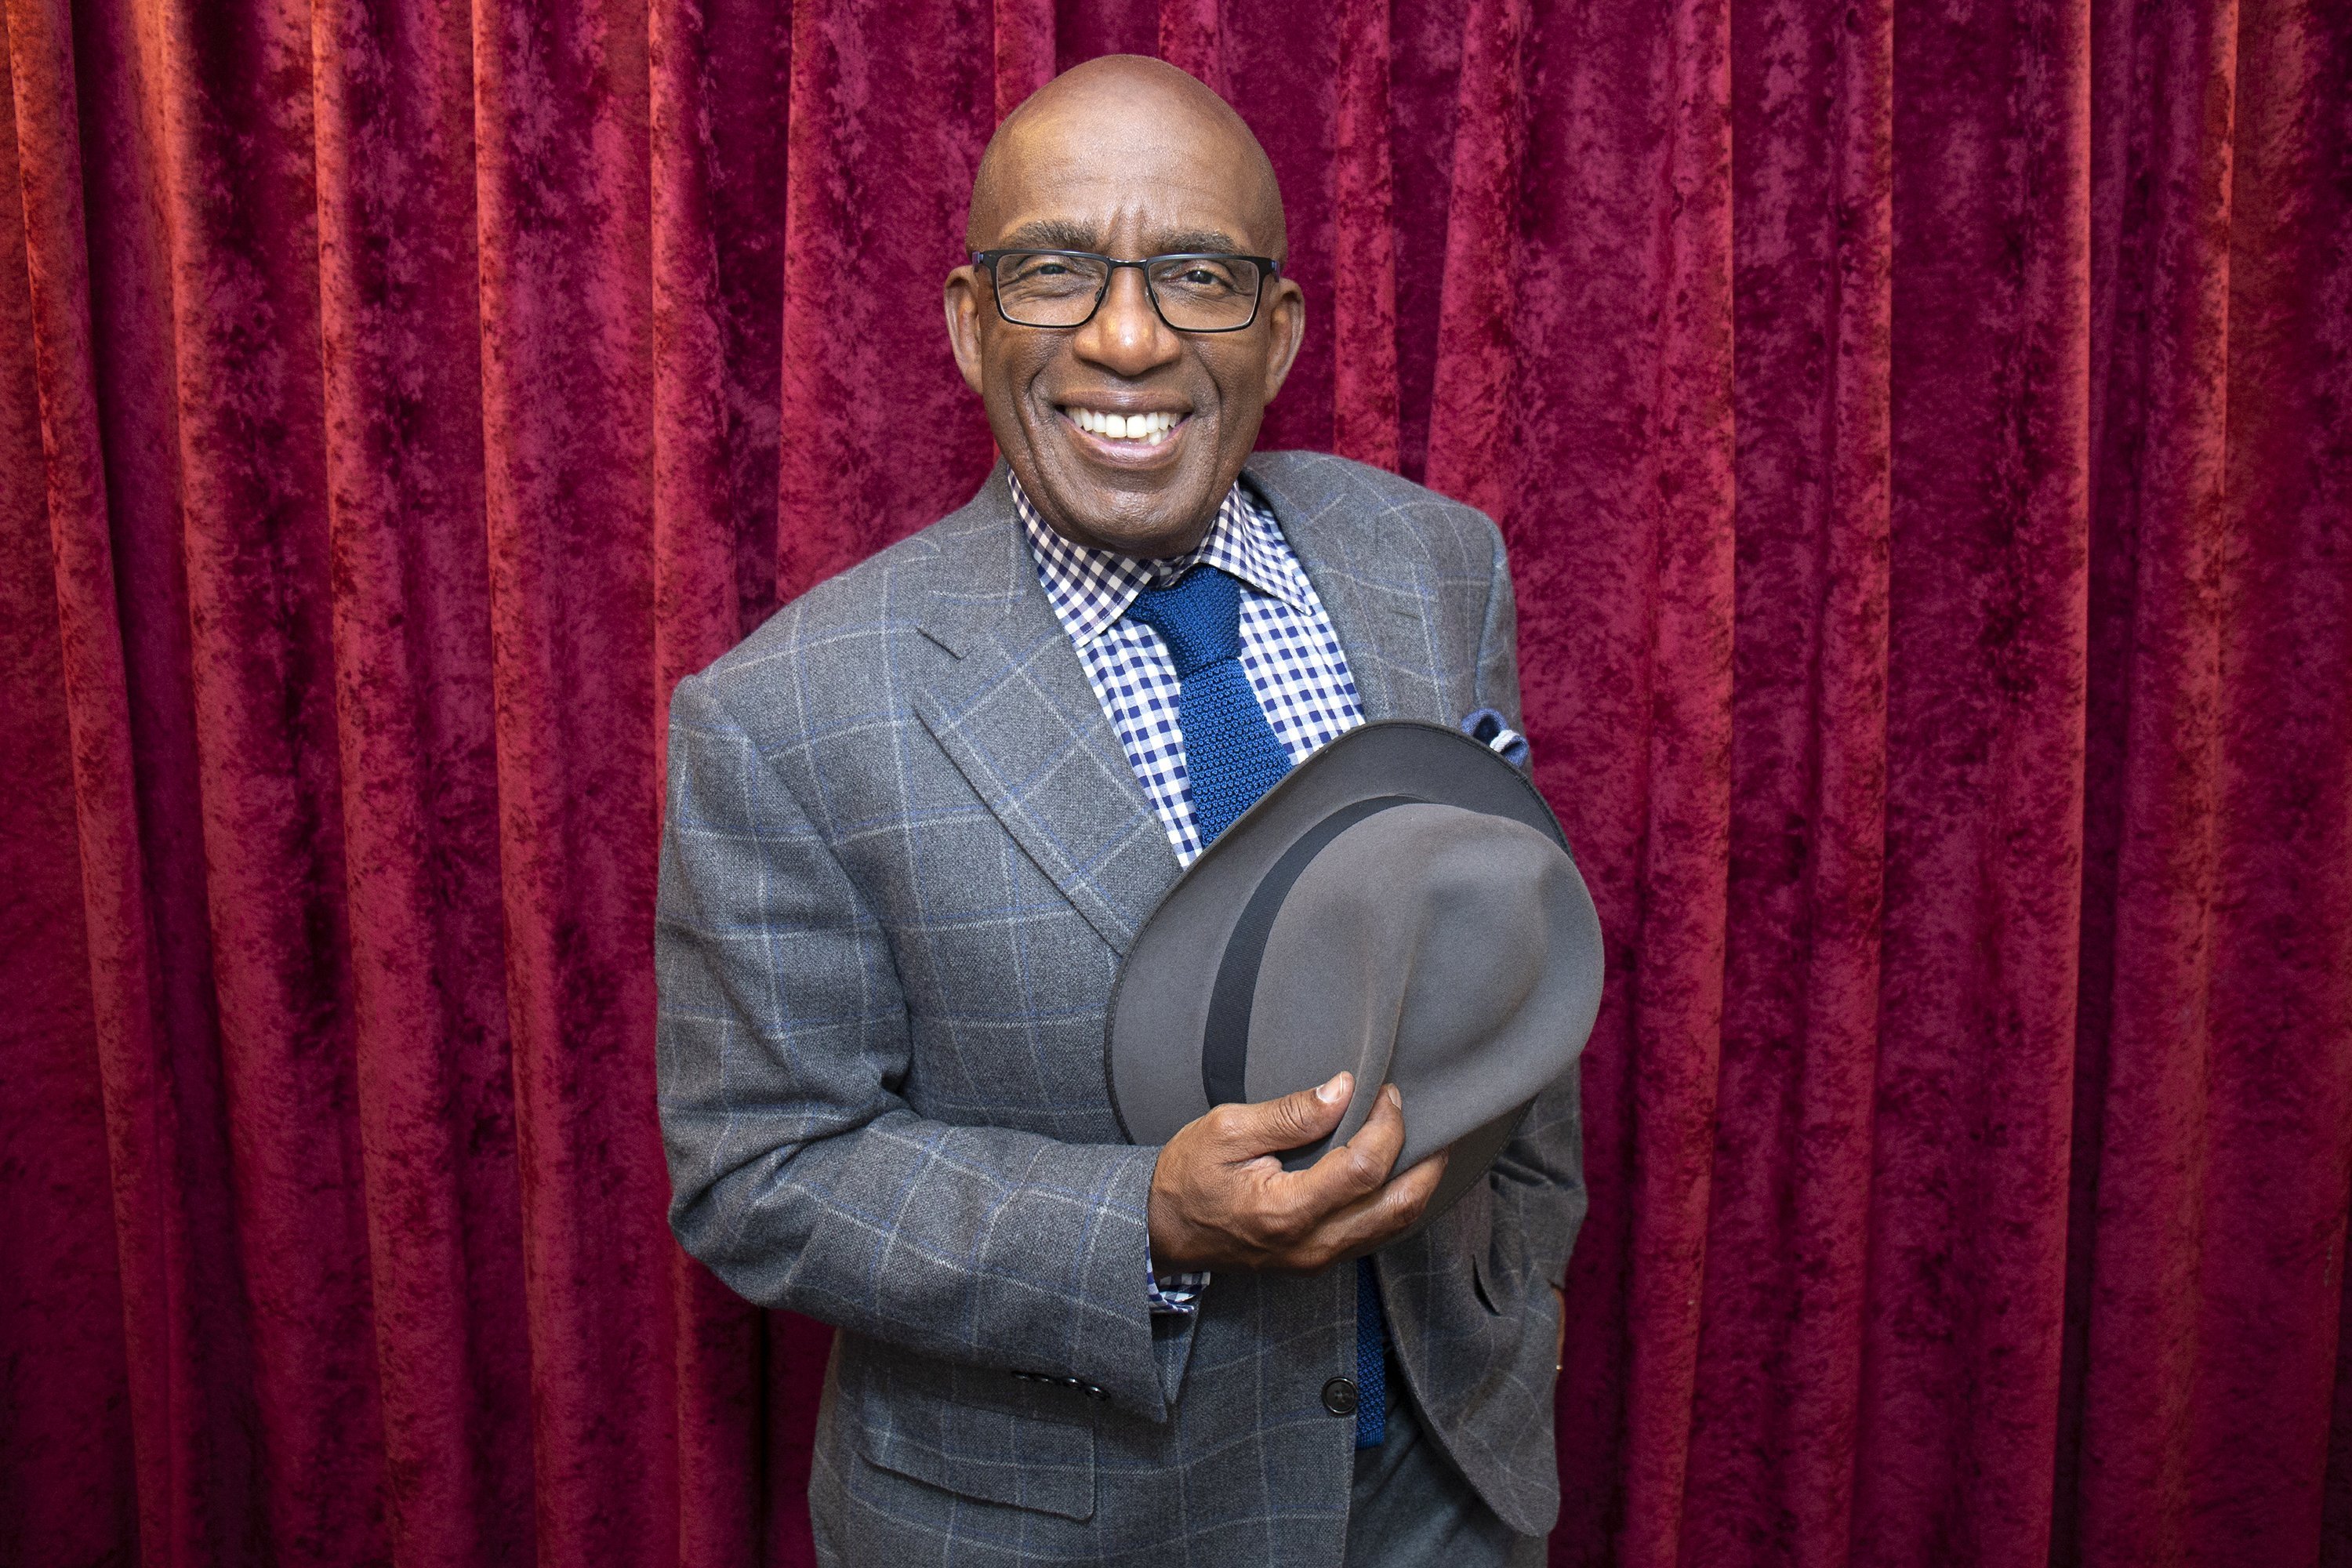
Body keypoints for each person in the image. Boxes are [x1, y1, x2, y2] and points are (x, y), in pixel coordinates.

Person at [656, 53, 1582, 1568]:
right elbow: (758, 1171)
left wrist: (1518, 1268)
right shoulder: (783, 715)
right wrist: (1141, 1222)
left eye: (1200, 276)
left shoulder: (1434, 564)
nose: (1131, 337)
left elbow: (1505, 943)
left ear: (1275, 332)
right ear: (971, 323)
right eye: (1057, 272)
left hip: (1443, 1486)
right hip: (1062, 1529)